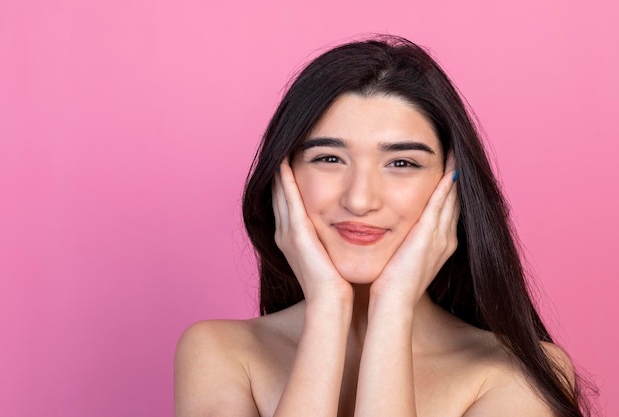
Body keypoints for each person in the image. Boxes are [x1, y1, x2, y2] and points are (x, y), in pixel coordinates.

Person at [175, 35, 593, 417]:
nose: (360, 199)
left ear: (451, 189)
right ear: (283, 179)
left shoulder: (516, 373)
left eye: (401, 163)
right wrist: (327, 308)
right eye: (328, 158)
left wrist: (392, 307)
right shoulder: (220, 354)